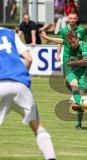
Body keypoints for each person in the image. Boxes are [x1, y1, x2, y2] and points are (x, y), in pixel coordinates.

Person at [0, 27, 56, 160]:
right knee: (37, 126)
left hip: (1, 83)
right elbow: (29, 59)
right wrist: (21, 77)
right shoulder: (9, 33)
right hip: (20, 83)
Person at [41, 12, 87, 129]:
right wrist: (46, 37)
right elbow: (59, 41)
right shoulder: (65, 35)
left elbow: (86, 60)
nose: (72, 44)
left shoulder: (82, 41)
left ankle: (78, 123)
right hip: (69, 67)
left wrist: (75, 62)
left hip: (81, 70)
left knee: (80, 96)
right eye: (70, 42)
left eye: (74, 42)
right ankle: (76, 99)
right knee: (74, 85)